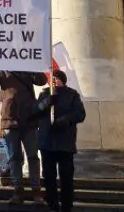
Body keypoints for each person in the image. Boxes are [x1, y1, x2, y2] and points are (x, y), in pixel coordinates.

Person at [0, 70, 47, 206]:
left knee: (33, 156)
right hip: (10, 119)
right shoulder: (2, 70)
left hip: (29, 119)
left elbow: (42, 80)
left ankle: (36, 190)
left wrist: (34, 66)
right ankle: (18, 190)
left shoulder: (27, 67)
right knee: (14, 158)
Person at [37, 69, 85, 212]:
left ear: (62, 80)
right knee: (49, 176)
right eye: (52, 79)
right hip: (47, 142)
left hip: (65, 142)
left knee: (66, 177)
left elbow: (80, 114)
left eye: (56, 78)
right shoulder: (44, 93)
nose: (53, 81)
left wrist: (64, 120)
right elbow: (36, 111)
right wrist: (46, 102)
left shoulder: (72, 95)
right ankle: (52, 205)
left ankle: (66, 206)